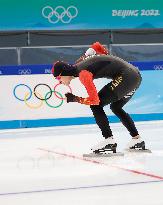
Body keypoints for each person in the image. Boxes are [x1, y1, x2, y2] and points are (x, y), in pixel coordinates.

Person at [52, 46, 146, 154]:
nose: (59, 81)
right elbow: (96, 46)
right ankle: (137, 139)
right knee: (116, 107)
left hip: (127, 77)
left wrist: (75, 98)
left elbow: (94, 101)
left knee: (96, 106)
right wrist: (104, 55)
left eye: (58, 78)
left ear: (63, 73)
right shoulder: (80, 62)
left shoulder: (83, 74)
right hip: (135, 75)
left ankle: (109, 141)